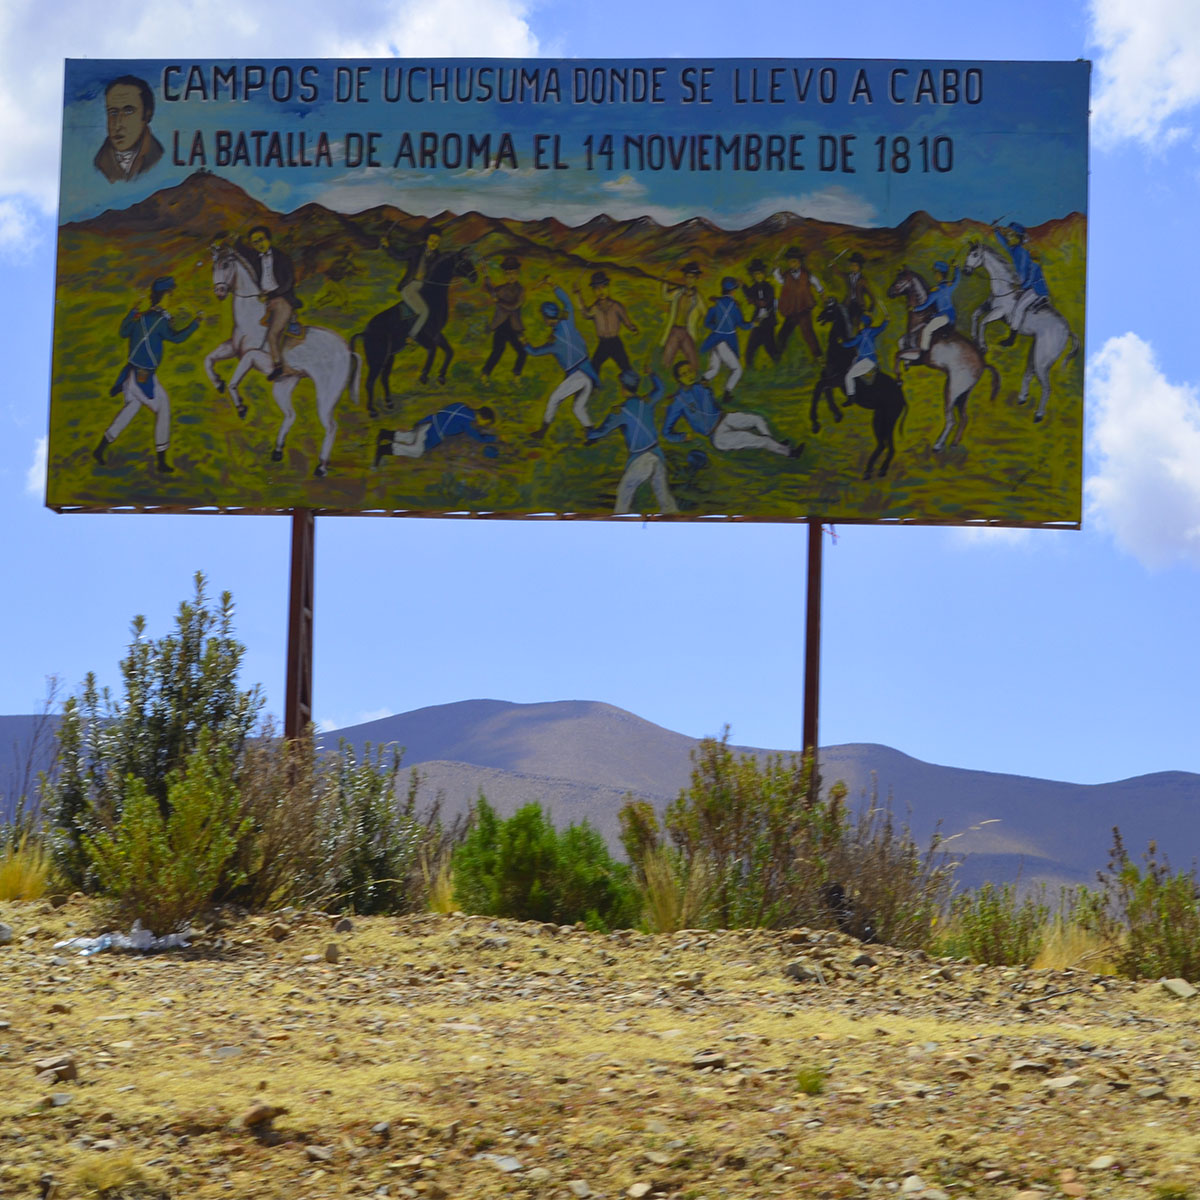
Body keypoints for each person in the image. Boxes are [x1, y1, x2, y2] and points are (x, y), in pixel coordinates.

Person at [94, 276, 202, 474]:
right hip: (142, 378)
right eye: (170, 294)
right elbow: (176, 338)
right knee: (164, 407)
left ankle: (100, 448)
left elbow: (123, 332)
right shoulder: (160, 321)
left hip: (131, 374)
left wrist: (133, 311)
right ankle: (161, 459)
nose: (172, 298)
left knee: (129, 410)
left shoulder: (142, 317)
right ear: (165, 295)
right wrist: (195, 323)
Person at [662, 361, 803, 458]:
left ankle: (774, 442)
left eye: (690, 371)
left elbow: (713, 405)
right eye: (684, 374)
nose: (690, 375)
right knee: (756, 440)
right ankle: (790, 453)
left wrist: (708, 391)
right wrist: (682, 437)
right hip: (717, 436)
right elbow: (666, 432)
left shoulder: (701, 387)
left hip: (725, 419)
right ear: (678, 379)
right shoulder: (677, 402)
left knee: (757, 419)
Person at [587, 369, 678, 515]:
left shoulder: (620, 411)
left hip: (641, 459)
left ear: (622, 387)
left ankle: (619, 521)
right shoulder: (646, 402)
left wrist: (588, 434)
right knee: (663, 496)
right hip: (657, 455)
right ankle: (674, 518)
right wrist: (652, 373)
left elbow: (602, 431)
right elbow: (660, 389)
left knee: (624, 490)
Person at [524, 286, 598, 440]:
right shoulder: (567, 321)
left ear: (547, 318)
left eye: (544, 317)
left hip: (578, 375)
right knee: (578, 408)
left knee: (554, 399)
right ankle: (593, 434)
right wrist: (553, 286)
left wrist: (525, 343)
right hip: (588, 372)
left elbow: (535, 352)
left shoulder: (555, 341)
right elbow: (568, 303)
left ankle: (543, 431)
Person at [237, 225, 298, 382]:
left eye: (261, 240)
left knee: (272, 334)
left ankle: (278, 367)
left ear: (268, 239)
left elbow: (288, 282)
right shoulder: (255, 257)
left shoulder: (282, 258)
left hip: (282, 300)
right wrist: (235, 240)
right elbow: (242, 251)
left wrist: (271, 295)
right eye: (254, 242)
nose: (258, 244)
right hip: (265, 301)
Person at [373, 403, 496, 466]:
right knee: (417, 451)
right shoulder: (468, 422)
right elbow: (479, 438)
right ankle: (383, 449)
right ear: (481, 417)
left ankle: (384, 434)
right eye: (486, 422)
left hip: (428, 421)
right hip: (433, 432)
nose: (484, 425)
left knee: (410, 437)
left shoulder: (462, 406)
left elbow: (442, 412)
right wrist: (496, 438)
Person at [381, 224, 445, 343]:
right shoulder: (415, 250)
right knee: (424, 312)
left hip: (424, 288)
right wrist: (387, 246)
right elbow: (399, 256)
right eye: (431, 240)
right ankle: (411, 336)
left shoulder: (437, 256)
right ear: (426, 240)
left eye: (437, 242)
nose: (434, 244)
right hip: (410, 287)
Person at [93, 75, 163, 183]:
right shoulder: (98, 164)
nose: (118, 124)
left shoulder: (159, 158)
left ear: (147, 115)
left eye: (128, 111)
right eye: (113, 112)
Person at [993, 221, 1049, 345]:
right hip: (1026, 285)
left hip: (1035, 287)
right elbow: (1004, 244)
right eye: (1008, 234)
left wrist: (1020, 287)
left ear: (1018, 237)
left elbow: (1027, 276)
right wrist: (996, 230)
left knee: (1018, 308)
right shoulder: (1015, 249)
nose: (1008, 237)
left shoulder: (1023, 252)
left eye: (1011, 235)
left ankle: (1012, 339)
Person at [576, 271, 639, 380]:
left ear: (608, 287)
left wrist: (632, 328)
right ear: (593, 291)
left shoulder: (616, 306)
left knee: (625, 365)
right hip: (603, 343)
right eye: (596, 288)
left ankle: (632, 386)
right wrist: (577, 295)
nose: (601, 291)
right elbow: (585, 313)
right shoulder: (594, 308)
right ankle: (592, 388)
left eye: (603, 287)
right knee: (595, 365)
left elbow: (626, 321)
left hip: (615, 342)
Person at [701, 277, 753, 398]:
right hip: (726, 342)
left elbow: (707, 323)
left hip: (715, 340)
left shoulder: (715, 305)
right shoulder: (734, 307)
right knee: (737, 370)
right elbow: (742, 325)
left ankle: (699, 386)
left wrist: (718, 328)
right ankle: (727, 394)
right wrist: (753, 324)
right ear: (733, 291)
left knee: (713, 369)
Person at [900, 260, 960, 362]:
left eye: (936, 273)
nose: (935, 276)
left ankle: (923, 354)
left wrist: (914, 308)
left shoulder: (935, 291)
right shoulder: (949, 286)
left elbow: (925, 305)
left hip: (943, 317)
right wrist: (956, 267)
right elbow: (957, 279)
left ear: (940, 274)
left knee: (926, 330)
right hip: (951, 316)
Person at [480, 256, 527, 379]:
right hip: (501, 325)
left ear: (518, 274)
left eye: (514, 273)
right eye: (508, 273)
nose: (511, 276)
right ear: (505, 275)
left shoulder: (520, 290)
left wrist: (499, 301)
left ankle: (516, 376)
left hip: (514, 328)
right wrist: (485, 273)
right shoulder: (500, 289)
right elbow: (490, 289)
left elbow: (514, 306)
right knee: (497, 351)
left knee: (523, 352)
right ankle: (485, 374)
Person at [774, 247, 824, 360]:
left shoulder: (807, 274)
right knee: (783, 334)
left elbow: (816, 283)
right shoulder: (786, 275)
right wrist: (776, 269)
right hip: (792, 310)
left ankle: (819, 357)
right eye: (790, 261)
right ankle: (777, 357)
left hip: (804, 310)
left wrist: (821, 292)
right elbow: (780, 280)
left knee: (808, 334)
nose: (792, 264)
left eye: (794, 261)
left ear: (799, 262)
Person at [659, 261, 703, 374]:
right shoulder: (678, 292)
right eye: (687, 277)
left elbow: (705, 312)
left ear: (696, 278)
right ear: (685, 278)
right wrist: (664, 284)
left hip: (687, 332)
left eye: (692, 277)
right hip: (674, 330)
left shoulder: (697, 298)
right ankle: (665, 378)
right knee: (666, 360)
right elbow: (665, 297)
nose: (689, 280)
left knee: (694, 362)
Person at [741, 258, 780, 368]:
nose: (758, 276)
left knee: (771, 348)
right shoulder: (753, 288)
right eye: (756, 274)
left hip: (768, 323)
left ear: (763, 274)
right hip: (758, 322)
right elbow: (749, 294)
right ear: (753, 275)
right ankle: (750, 370)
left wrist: (753, 301)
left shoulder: (769, 287)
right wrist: (743, 286)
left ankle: (779, 367)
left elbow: (764, 303)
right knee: (750, 349)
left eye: (760, 273)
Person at [841, 311, 889, 397]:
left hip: (865, 361)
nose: (858, 325)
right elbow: (881, 328)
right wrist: (886, 321)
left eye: (859, 323)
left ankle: (851, 396)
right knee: (852, 364)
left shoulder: (860, 335)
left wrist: (842, 343)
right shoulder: (872, 331)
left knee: (848, 376)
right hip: (872, 359)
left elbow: (851, 344)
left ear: (862, 324)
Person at [841, 251, 875, 328]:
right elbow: (839, 273)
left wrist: (869, 311)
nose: (853, 267)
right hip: (848, 303)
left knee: (859, 326)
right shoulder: (848, 276)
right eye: (852, 265)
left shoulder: (863, 281)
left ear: (859, 267)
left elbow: (873, 299)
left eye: (855, 265)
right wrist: (833, 265)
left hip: (859, 306)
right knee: (843, 322)